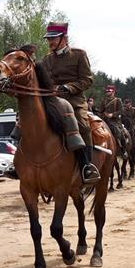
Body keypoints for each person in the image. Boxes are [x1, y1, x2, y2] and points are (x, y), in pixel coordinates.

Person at [40, 22, 100, 184]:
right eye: (49, 39)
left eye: (53, 38)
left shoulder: (79, 55)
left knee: (83, 125)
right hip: (52, 101)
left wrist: (68, 87)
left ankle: (87, 165)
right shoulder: (46, 60)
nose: (50, 42)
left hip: (74, 101)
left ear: (64, 38)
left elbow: (87, 80)